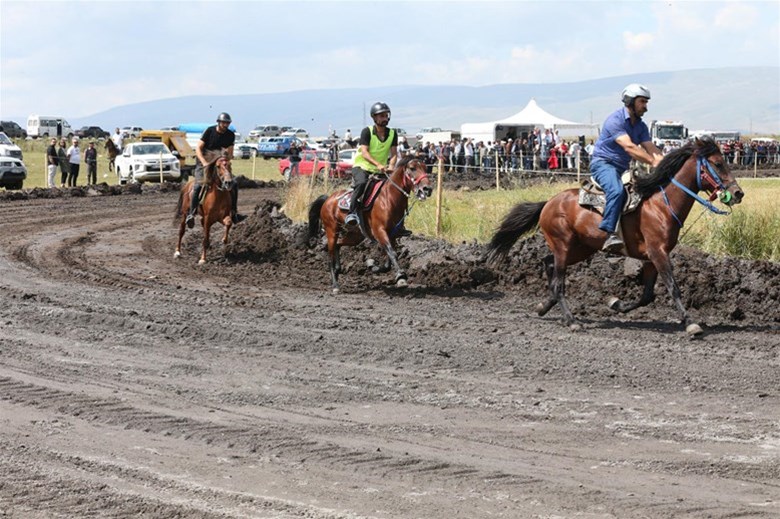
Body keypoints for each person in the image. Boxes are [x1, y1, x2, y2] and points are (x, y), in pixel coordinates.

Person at [590, 83, 663, 253]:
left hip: (622, 168)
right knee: (616, 190)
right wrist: (652, 162)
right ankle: (609, 233)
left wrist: (665, 162)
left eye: (646, 102)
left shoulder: (641, 126)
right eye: (642, 102)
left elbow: (650, 147)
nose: (645, 106)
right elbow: (629, 147)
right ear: (630, 101)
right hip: (603, 164)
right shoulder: (615, 120)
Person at [345, 101, 402, 231]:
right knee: (361, 184)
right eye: (381, 116)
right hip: (362, 166)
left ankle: (398, 222)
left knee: (394, 189)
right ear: (374, 117)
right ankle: (351, 213)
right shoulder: (367, 131)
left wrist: (392, 165)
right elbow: (364, 152)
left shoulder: (393, 133)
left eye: (386, 115)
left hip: (380, 168)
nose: (385, 118)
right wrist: (378, 164)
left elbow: (393, 153)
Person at [186, 112, 245, 228]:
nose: (226, 125)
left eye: (227, 123)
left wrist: (226, 161)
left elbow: (230, 153)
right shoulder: (209, 131)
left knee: (234, 184)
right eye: (224, 123)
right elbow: (198, 148)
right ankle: (191, 214)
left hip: (219, 163)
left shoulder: (230, 135)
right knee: (198, 186)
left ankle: (234, 212)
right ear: (218, 122)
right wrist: (204, 162)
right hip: (204, 162)